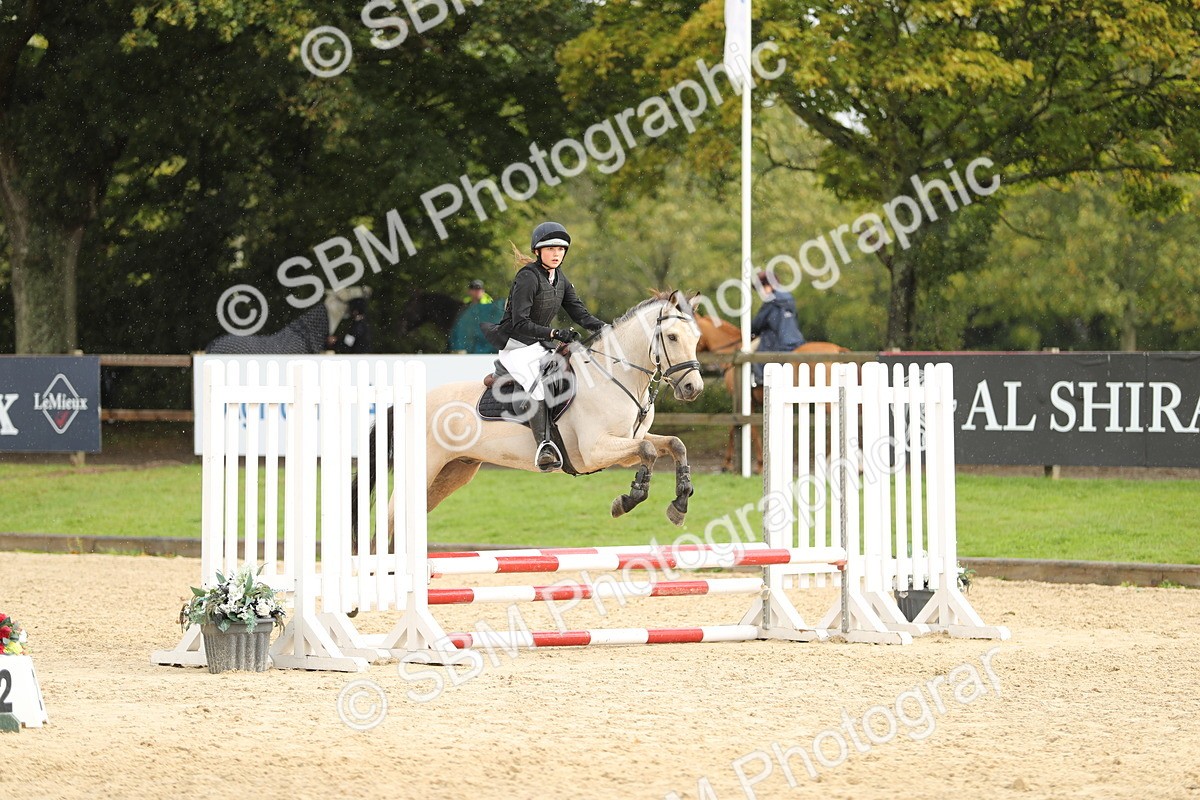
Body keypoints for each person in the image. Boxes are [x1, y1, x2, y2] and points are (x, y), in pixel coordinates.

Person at [481, 221, 606, 471]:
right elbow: (520, 323)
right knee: (537, 386)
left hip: (539, 345)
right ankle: (545, 446)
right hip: (515, 345)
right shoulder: (527, 277)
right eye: (550, 249)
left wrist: (609, 328)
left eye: (560, 249)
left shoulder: (560, 278)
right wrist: (554, 332)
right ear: (538, 252)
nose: (556, 254)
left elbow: (580, 314)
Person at [750, 270, 806, 385]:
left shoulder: (770, 302)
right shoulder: (789, 299)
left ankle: (760, 379)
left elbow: (758, 323)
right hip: (796, 340)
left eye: (760, 289)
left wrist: (751, 331)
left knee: (751, 354)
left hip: (778, 341)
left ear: (768, 285)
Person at [449, 280, 504, 354]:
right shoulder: (466, 305)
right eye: (474, 289)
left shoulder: (490, 305)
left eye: (479, 289)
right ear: (469, 291)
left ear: (483, 291)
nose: (477, 291)